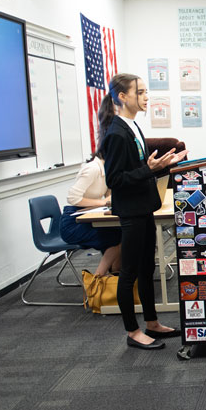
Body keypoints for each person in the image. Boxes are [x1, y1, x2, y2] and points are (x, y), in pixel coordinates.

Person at [100, 73, 188, 350]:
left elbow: (138, 169)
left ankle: (152, 322)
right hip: (131, 211)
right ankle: (133, 331)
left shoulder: (133, 127)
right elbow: (114, 180)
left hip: (144, 208)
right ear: (123, 97)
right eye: (140, 92)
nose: (146, 96)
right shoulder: (115, 133)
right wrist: (149, 169)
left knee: (147, 268)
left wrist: (162, 165)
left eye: (146, 91)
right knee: (129, 273)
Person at [59, 152, 121, 277]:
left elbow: (109, 196)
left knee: (122, 231)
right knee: (116, 236)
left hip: (89, 216)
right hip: (73, 222)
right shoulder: (92, 168)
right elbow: (73, 198)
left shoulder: (106, 170)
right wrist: (102, 202)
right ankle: (98, 279)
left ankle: (115, 274)